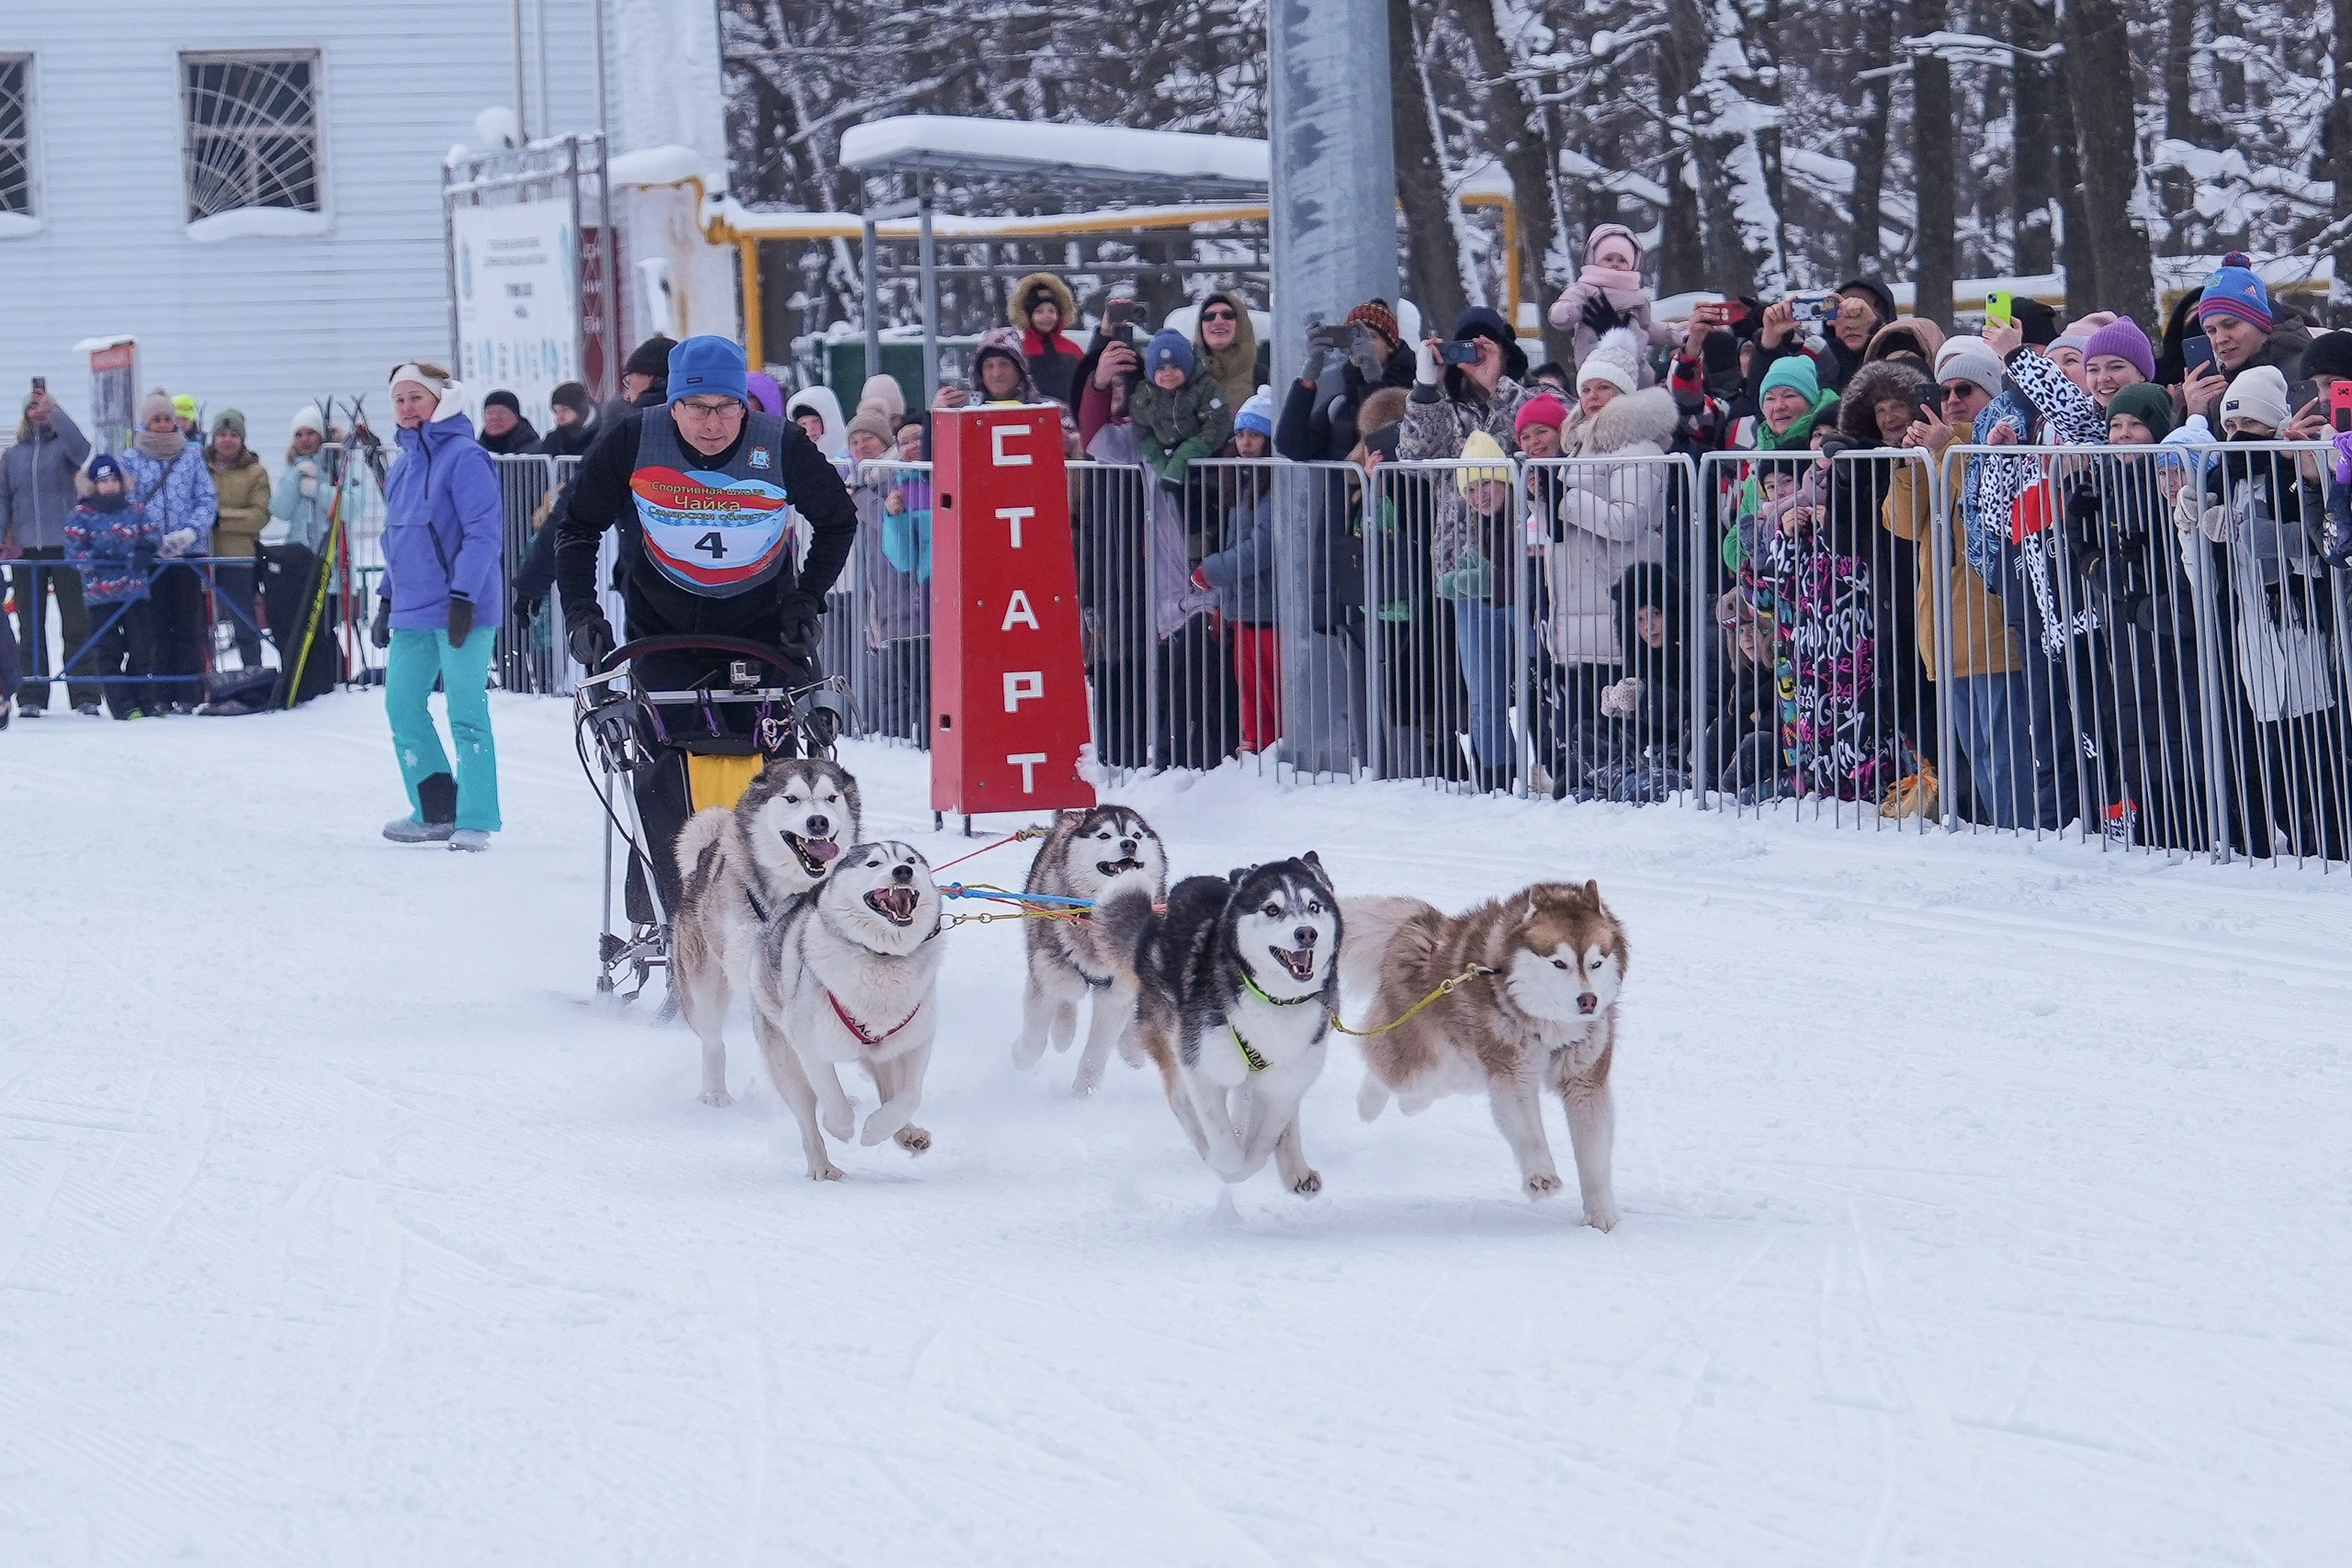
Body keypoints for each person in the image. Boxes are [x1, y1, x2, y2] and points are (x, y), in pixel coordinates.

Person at [556, 336, 859, 916]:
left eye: (726, 407)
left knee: (779, 780)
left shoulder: (781, 444)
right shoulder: (633, 440)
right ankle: (673, 914)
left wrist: (806, 600)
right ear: (673, 405)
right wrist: (582, 613)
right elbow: (577, 526)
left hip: (764, 633)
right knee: (661, 773)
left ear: (744, 405)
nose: (712, 423)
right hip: (661, 631)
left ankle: (781, 911)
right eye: (697, 408)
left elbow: (837, 520)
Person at [2178, 366, 2343, 858]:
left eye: (2249, 424)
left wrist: (2255, 533)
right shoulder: (2220, 478)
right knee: (2279, 770)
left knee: (2324, 769)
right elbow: (2204, 580)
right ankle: (2299, 853)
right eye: (2229, 426)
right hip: (2256, 649)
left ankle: (2332, 852)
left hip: (2310, 639)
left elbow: (2320, 553)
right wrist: (2188, 527)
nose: (2237, 436)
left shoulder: (2298, 470)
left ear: (2274, 424)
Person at [1883, 355, 2034, 827]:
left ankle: (2022, 837)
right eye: (1942, 391)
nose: (1951, 401)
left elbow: (1992, 499)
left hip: (1993, 634)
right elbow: (1901, 523)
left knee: (2009, 758)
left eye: (1964, 389)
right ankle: (2004, 837)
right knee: (1982, 757)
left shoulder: (1999, 441)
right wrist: (1913, 462)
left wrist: (1947, 448)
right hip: (1948, 637)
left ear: (1991, 394)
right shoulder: (1936, 451)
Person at [1530, 331, 1676, 791]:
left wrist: (1562, 499)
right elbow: (1564, 524)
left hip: (1616, 598)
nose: (1592, 397)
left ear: (1625, 392)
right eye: (1586, 388)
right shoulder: (1579, 445)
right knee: (1583, 712)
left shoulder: (1641, 448)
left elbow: (1626, 520)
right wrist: (1542, 500)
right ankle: (1583, 784)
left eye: (1604, 387)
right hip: (1580, 601)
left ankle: (1621, 786)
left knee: (1616, 708)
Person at [371, 363, 503, 850]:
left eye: (416, 398)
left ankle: (475, 817)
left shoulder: (466, 457)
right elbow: (398, 539)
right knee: (402, 706)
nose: (407, 408)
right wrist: (386, 598)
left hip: (461, 607)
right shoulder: (403, 465)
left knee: (466, 712)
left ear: (440, 400)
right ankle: (434, 809)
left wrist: (464, 596)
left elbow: (483, 532)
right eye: (399, 399)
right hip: (412, 608)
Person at [116, 388, 219, 713]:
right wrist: (152, 538)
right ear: (146, 423)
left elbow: (206, 499)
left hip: (188, 554)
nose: (162, 424)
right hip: (150, 555)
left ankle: (189, 691)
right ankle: (159, 691)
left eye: (166, 418)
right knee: (156, 625)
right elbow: (127, 503)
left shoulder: (191, 456)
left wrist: (190, 533)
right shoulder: (130, 460)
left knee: (190, 623)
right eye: (156, 419)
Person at [0, 384, 99, 715]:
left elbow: (83, 449)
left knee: (76, 623)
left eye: (43, 407)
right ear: (24, 415)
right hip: (26, 550)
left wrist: (55, 412)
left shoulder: (64, 449)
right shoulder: (12, 456)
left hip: (66, 546)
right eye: (32, 407)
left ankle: (85, 693)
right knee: (30, 625)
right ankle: (31, 693)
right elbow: (3, 501)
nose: (38, 412)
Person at [1191, 389, 1281, 753]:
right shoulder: (1243, 479)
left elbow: (1263, 546)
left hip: (1267, 608)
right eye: (1241, 434)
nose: (1245, 443)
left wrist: (1211, 572)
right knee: (1249, 685)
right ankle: (1255, 744)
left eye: (1255, 435)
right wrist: (1222, 602)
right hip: (1245, 607)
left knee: (1270, 687)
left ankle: (1269, 747)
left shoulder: (1272, 484)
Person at [62, 454, 164, 720]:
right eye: (103, 481)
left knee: (142, 646)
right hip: (100, 594)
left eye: (113, 480)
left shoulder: (135, 509)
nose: (109, 486)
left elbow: (153, 533)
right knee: (108, 650)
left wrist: (146, 548)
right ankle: (123, 704)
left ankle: (147, 700)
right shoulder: (81, 514)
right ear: (93, 484)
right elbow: (73, 551)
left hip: (134, 591)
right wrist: (98, 561)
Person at [2179, 254, 2319, 433]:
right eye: (2211, 330)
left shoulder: (2305, 370)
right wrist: (2195, 416)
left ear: (2260, 322)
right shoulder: (2217, 386)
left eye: (2230, 325)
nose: (2220, 339)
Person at [1544, 222, 1679, 374]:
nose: (1615, 264)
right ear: (1595, 259)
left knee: (1648, 380)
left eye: (1622, 260)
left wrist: (1671, 333)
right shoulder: (1586, 288)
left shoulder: (1638, 296)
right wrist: (1564, 311)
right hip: (1594, 358)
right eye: (1608, 259)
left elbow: (1646, 327)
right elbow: (1572, 301)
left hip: (1633, 362)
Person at [205, 410, 271, 671]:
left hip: (238, 559)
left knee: (244, 624)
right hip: (202, 557)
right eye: (222, 434)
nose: (227, 440)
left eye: (233, 434)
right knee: (200, 626)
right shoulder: (200, 468)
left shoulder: (255, 473)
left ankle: (253, 672)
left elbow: (259, 516)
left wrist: (219, 518)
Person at [1128, 329, 1233, 490]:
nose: (1168, 374)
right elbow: (1142, 429)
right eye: (1161, 368)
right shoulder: (1145, 393)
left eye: (1175, 366)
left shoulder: (1206, 388)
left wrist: (1181, 459)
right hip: (1168, 464)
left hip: (1208, 462)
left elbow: (1216, 425)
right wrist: (1159, 461)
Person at [1011, 273, 1083, 406]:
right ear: (1028, 315)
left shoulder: (1072, 349)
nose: (1046, 316)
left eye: (1051, 311)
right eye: (1039, 311)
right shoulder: (1019, 350)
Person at [1191, 289, 1264, 412]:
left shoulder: (1265, 379)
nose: (1218, 321)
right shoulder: (1182, 377)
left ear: (1242, 324)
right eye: (1209, 316)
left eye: (1227, 315)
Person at [536, 381, 599, 458]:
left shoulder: (604, 434)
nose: (558, 417)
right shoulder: (553, 440)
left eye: (565, 410)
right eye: (555, 411)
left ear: (580, 409)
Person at [784, 385, 847, 459]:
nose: (810, 428)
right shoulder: (794, 457)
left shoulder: (847, 455)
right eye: (803, 424)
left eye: (815, 421)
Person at [477, 390, 540, 456]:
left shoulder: (538, 451)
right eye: (490, 413)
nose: (495, 417)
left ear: (516, 416)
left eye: (502, 412)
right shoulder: (474, 452)